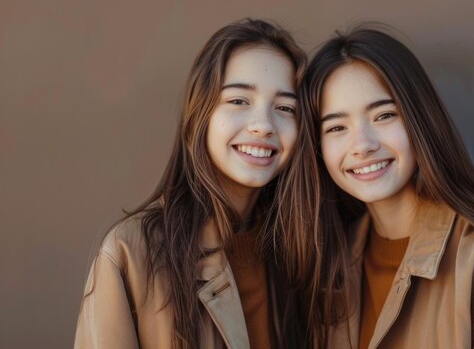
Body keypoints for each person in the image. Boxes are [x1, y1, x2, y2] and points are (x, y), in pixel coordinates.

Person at [277, 27, 474, 348]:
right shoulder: (326, 270)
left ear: (419, 120)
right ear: (316, 145)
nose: (363, 145)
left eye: (384, 115)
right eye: (337, 127)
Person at [74, 19, 306, 349]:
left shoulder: (303, 251)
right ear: (201, 113)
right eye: (239, 101)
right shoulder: (130, 253)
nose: (263, 125)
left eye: (285, 108)